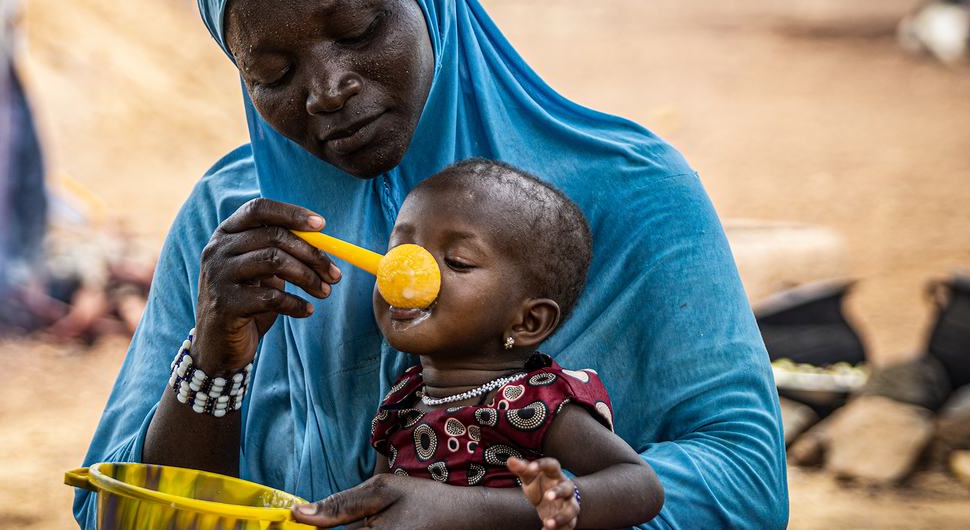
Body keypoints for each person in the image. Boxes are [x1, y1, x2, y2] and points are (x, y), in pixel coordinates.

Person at [76, 1, 789, 528]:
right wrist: (215, 358)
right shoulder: (231, 219)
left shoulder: (629, 190)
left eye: (357, 30)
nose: (326, 89)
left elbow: (744, 482)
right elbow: (109, 512)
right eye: (273, 71)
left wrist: (478, 513)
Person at [365, 159, 662, 529]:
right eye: (399, 252)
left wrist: (562, 500)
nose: (407, 272)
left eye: (456, 261)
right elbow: (376, 500)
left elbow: (641, 485)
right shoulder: (401, 400)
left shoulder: (533, 403)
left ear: (527, 321)